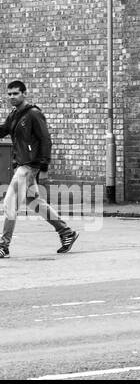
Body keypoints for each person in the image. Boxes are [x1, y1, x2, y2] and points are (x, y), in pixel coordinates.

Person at [0, 80, 77, 257]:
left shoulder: (34, 114)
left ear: (24, 93)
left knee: (10, 202)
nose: (12, 97)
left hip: (30, 166)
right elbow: (3, 130)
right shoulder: (14, 114)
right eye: (10, 94)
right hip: (21, 164)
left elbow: (45, 140)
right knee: (34, 202)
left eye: (16, 93)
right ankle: (67, 233)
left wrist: (44, 167)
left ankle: (3, 246)